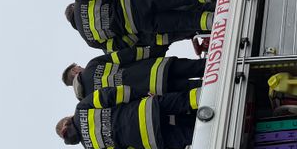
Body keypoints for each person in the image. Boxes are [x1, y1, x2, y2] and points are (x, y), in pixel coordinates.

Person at [65, 0, 217, 52]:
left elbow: (119, 45)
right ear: (72, 7)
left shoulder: (90, 40)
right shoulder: (80, 0)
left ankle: (217, 21)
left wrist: (135, 34)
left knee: (184, 22)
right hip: (137, 1)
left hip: (141, 25)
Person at [56, 85, 200, 149]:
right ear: (67, 121)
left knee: (193, 137)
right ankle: (214, 98)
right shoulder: (81, 109)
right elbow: (114, 94)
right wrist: (143, 94)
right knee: (186, 100)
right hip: (147, 110)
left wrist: (142, 143)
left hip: (151, 139)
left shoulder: (90, 147)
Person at [62, 46, 206, 99]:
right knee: (201, 66)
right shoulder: (92, 65)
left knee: (202, 90)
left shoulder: (90, 100)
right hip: (157, 68)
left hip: (157, 91)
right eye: (78, 67)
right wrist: (154, 50)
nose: (81, 68)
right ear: (74, 71)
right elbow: (124, 56)